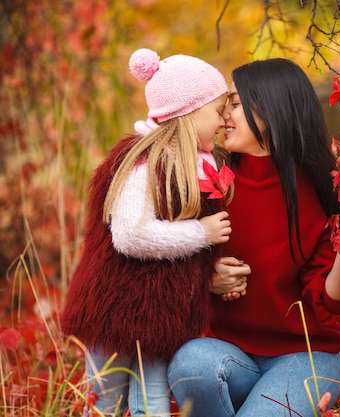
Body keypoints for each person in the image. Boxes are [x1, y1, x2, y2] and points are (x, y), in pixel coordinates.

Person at [166, 58, 340, 417]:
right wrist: (205, 279)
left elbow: (334, 305)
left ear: (269, 108)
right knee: (190, 365)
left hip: (306, 359)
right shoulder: (207, 180)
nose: (222, 116)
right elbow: (161, 265)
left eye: (233, 103)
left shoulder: (324, 189)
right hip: (227, 354)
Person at [61, 48, 233, 417]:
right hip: (115, 309)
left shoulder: (201, 166)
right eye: (216, 111)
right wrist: (200, 233)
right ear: (188, 112)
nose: (223, 120)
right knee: (104, 402)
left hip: (162, 316)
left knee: (150, 405)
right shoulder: (145, 162)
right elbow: (131, 235)